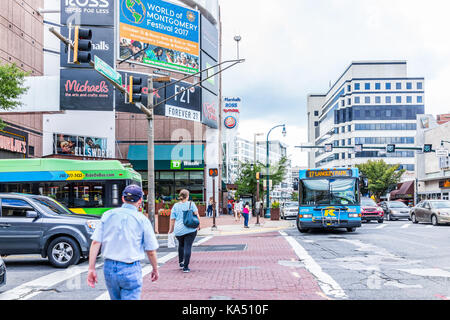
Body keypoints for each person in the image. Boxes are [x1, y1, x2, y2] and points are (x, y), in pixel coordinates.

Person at [87, 185, 159, 300]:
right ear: (140, 200)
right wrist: (155, 268)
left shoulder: (108, 215)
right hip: (130, 268)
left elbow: (96, 242)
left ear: (122, 198)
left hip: (109, 267)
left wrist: (91, 268)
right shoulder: (142, 220)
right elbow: (150, 251)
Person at [168, 189, 201, 273]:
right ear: (187, 196)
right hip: (190, 229)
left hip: (178, 230)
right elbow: (197, 215)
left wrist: (171, 230)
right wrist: (199, 225)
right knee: (188, 246)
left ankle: (180, 262)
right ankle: (186, 267)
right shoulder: (191, 204)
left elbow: (172, 219)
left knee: (181, 245)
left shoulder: (175, 206)